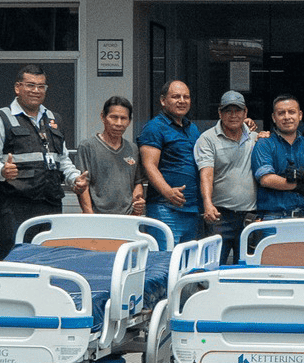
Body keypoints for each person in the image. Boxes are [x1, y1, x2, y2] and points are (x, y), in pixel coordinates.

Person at [0, 64, 87, 259]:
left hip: (50, 202)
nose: (36, 90)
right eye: (30, 85)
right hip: (15, 205)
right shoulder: (0, 119)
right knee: (15, 258)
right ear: (17, 87)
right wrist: (2, 170)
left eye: (41, 86)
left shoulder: (53, 119)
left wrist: (74, 178)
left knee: (48, 258)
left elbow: (62, 159)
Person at [196, 91, 260, 263]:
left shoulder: (255, 138)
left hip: (250, 218)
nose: (233, 115)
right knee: (213, 268)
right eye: (228, 111)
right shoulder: (207, 139)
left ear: (245, 112)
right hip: (219, 217)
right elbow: (206, 174)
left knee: (246, 271)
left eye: (237, 110)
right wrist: (207, 203)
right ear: (220, 113)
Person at [137, 80, 201, 243]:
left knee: (188, 258)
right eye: (176, 96)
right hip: (164, 209)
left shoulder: (192, 128)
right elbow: (149, 165)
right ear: (163, 100)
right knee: (165, 257)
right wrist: (168, 192)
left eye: (186, 97)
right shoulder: (154, 127)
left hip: (191, 210)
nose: (182, 101)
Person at [252, 94, 304, 220]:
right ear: (274, 117)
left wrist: (302, 175)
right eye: (281, 113)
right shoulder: (264, 144)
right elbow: (266, 179)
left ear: (300, 115)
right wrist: (299, 186)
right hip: (274, 217)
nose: (287, 117)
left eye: (292, 112)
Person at [76, 96, 145, 217]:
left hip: (127, 217)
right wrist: (89, 215)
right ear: (103, 117)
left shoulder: (133, 149)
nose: (118, 123)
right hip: (97, 216)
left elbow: (138, 182)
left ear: (129, 121)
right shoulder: (87, 147)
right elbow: (83, 185)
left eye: (123, 118)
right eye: (114, 117)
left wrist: (138, 201)